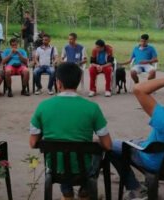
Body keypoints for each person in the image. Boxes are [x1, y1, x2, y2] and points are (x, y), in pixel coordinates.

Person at [29, 62, 112, 200]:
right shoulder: (92, 107)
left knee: (61, 154)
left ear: (58, 82)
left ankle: (67, 193)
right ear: (79, 81)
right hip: (83, 169)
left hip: (57, 169)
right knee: (97, 151)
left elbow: (33, 142)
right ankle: (85, 191)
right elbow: (108, 144)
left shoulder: (43, 106)